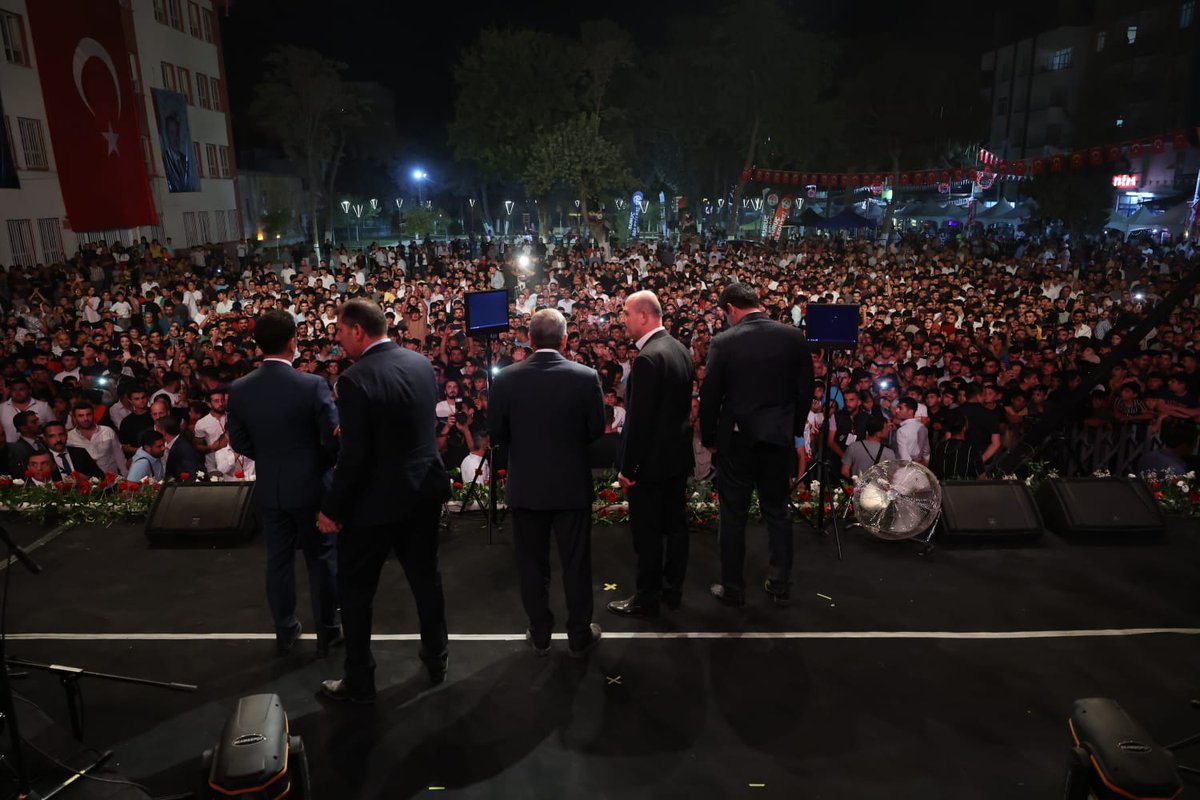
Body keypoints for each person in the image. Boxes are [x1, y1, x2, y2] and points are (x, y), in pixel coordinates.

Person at [316, 299, 450, 702]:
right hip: (423, 490)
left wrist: (332, 510)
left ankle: (360, 678)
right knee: (426, 578)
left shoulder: (355, 380)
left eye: (340, 330)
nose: (337, 339)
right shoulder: (420, 362)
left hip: (375, 504)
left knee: (356, 591)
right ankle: (437, 656)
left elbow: (355, 458)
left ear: (358, 330)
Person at [490, 308, 605, 657]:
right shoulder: (585, 376)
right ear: (565, 339)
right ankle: (579, 634)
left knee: (531, 563)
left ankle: (540, 633)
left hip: (526, 486)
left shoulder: (506, 378)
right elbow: (596, 430)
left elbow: (497, 433)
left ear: (529, 339)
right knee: (576, 564)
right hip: (571, 486)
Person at [228, 310, 342, 658]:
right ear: (293, 341)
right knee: (321, 560)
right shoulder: (312, 385)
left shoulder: (241, 388)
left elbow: (239, 441)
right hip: (311, 488)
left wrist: (269, 457)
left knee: (277, 562)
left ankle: (285, 628)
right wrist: (318, 464)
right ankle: (328, 631)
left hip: (271, 489)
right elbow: (331, 440)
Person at [699, 282, 814, 607]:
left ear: (731, 308)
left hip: (737, 442)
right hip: (777, 439)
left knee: (733, 515)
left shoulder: (725, 341)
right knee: (777, 512)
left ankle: (732, 588)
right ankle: (780, 583)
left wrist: (709, 438)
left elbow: (710, 396)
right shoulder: (793, 337)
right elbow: (805, 391)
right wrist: (791, 432)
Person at [608, 290, 695, 618]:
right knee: (676, 527)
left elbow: (640, 421)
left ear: (643, 316)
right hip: (676, 459)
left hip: (650, 465)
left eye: (627, 314)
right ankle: (673, 591)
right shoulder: (679, 350)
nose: (624, 321)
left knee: (647, 535)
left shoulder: (646, 359)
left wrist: (628, 467)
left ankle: (647, 598)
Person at [68, 401, 127, 476]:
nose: (85, 418)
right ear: (74, 418)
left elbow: (119, 456)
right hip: (87, 484)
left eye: (88, 414)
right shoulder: (69, 437)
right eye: (81, 416)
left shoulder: (107, 431)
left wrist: (126, 477)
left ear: (93, 414)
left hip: (112, 481)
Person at [928, 409, 986, 481]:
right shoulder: (971, 450)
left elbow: (931, 474)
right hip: (965, 491)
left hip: (943, 490)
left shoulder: (938, 448)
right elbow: (981, 476)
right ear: (964, 427)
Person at [157, 415, 202, 481]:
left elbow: (192, 474)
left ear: (163, 431)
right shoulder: (173, 445)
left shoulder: (184, 447)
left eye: (157, 429)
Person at [892, 396, 930, 465]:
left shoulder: (901, 431)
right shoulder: (923, 427)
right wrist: (924, 464)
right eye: (897, 408)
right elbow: (926, 451)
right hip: (919, 469)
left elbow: (904, 457)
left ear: (910, 411)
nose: (897, 411)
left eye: (900, 408)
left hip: (904, 469)